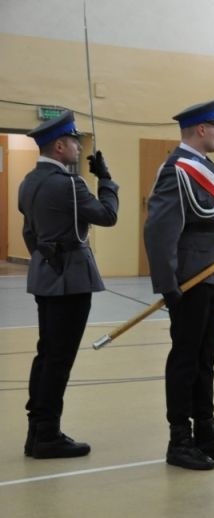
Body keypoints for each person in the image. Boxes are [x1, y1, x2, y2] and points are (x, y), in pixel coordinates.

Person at [19, 110, 119, 458]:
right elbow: (108, 216)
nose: (79, 147)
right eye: (74, 141)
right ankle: (47, 434)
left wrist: (46, 258)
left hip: (46, 275)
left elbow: (29, 232)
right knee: (59, 358)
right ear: (59, 145)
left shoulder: (29, 181)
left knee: (46, 354)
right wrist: (106, 180)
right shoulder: (69, 184)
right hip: (71, 279)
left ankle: (37, 430)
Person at [143, 100, 214, 470]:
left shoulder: (207, 167)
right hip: (190, 281)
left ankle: (205, 431)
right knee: (185, 359)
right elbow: (159, 229)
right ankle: (179, 438)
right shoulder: (176, 169)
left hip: (212, 277)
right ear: (200, 130)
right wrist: (168, 284)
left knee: (205, 359)